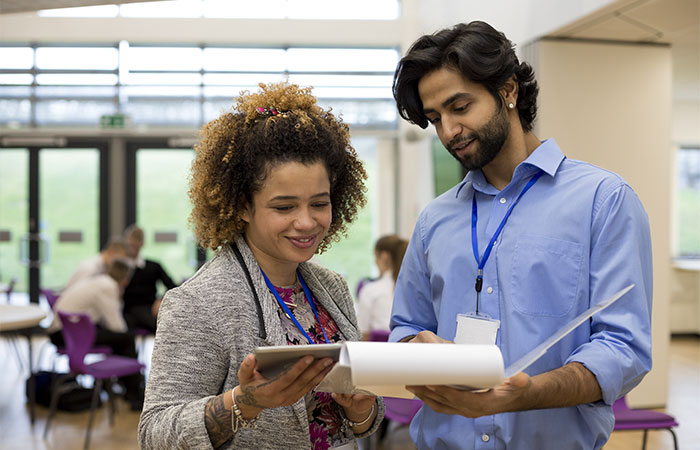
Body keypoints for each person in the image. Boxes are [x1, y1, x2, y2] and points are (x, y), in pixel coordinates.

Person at [389, 21, 653, 449]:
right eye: (435, 118)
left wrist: (527, 394)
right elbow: (405, 328)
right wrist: (415, 344)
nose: (448, 132)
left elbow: (624, 349)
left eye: (460, 107)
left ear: (508, 89)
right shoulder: (433, 219)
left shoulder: (603, 201)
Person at [138, 82, 384, 449]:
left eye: (319, 203)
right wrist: (246, 401)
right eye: (284, 207)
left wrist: (361, 410)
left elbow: (356, 421)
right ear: (241, 205)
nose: (306, 222)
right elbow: (155, 435)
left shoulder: (331, 288)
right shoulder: (198, 302)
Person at [48, 258, 145, 410]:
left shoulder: (99, 281)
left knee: (120, 338)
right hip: (69, 335)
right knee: (125, 338)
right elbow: (116, 325)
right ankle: (135, 395)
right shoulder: (108, 287)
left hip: (64, 332)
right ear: (126, 279)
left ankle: (124, 386)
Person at [121, 224, 177, 333]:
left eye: (135, 244)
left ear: (141, 244)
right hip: (125, 309)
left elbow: (172, 286)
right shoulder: (121, 267)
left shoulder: (153, 266)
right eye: (130, 244)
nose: (132, 248)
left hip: (148, 308)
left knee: (163, 325)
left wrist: (161, 300)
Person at [356, 235, 408, 340]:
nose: (375, 262)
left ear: (384, 256)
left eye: (375, 257)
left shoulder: (371, 290)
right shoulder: (413, 288)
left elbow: (362, 335)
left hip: (378, 354)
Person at [62, 237, 128, 291]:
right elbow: (79, 293)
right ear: (112, 252)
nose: (118, 265)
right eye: (119, 260)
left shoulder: (103, 268)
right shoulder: (90, 267)